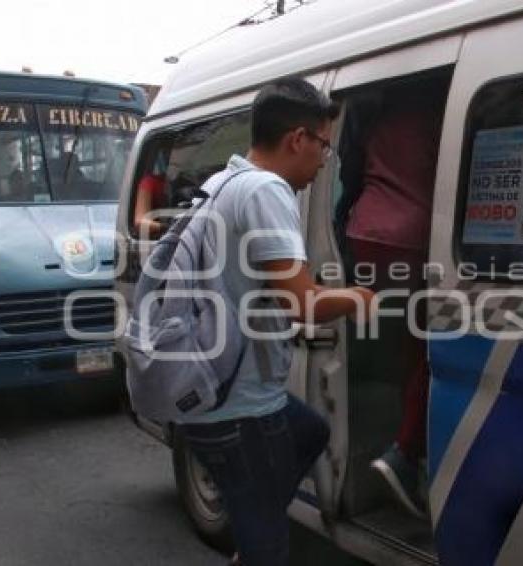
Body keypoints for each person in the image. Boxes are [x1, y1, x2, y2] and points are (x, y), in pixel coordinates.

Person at [178, 77, 375, 566]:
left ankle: (256, 512)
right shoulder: (266, 191)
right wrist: (357, 297)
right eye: (325, 146)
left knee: (309, 431)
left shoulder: (222, 181)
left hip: (213, 389)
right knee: (268, 544)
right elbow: (302, 304)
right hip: (237, 406)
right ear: (297, 139)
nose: (323, 160)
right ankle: (258, 525)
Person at [344, 81, 447, 518]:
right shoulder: (438, 116)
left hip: (363, 231)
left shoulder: (379, 118)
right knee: (434, 344)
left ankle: (410, 445)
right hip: (409, 237)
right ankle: (405, 452)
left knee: (408, 340)